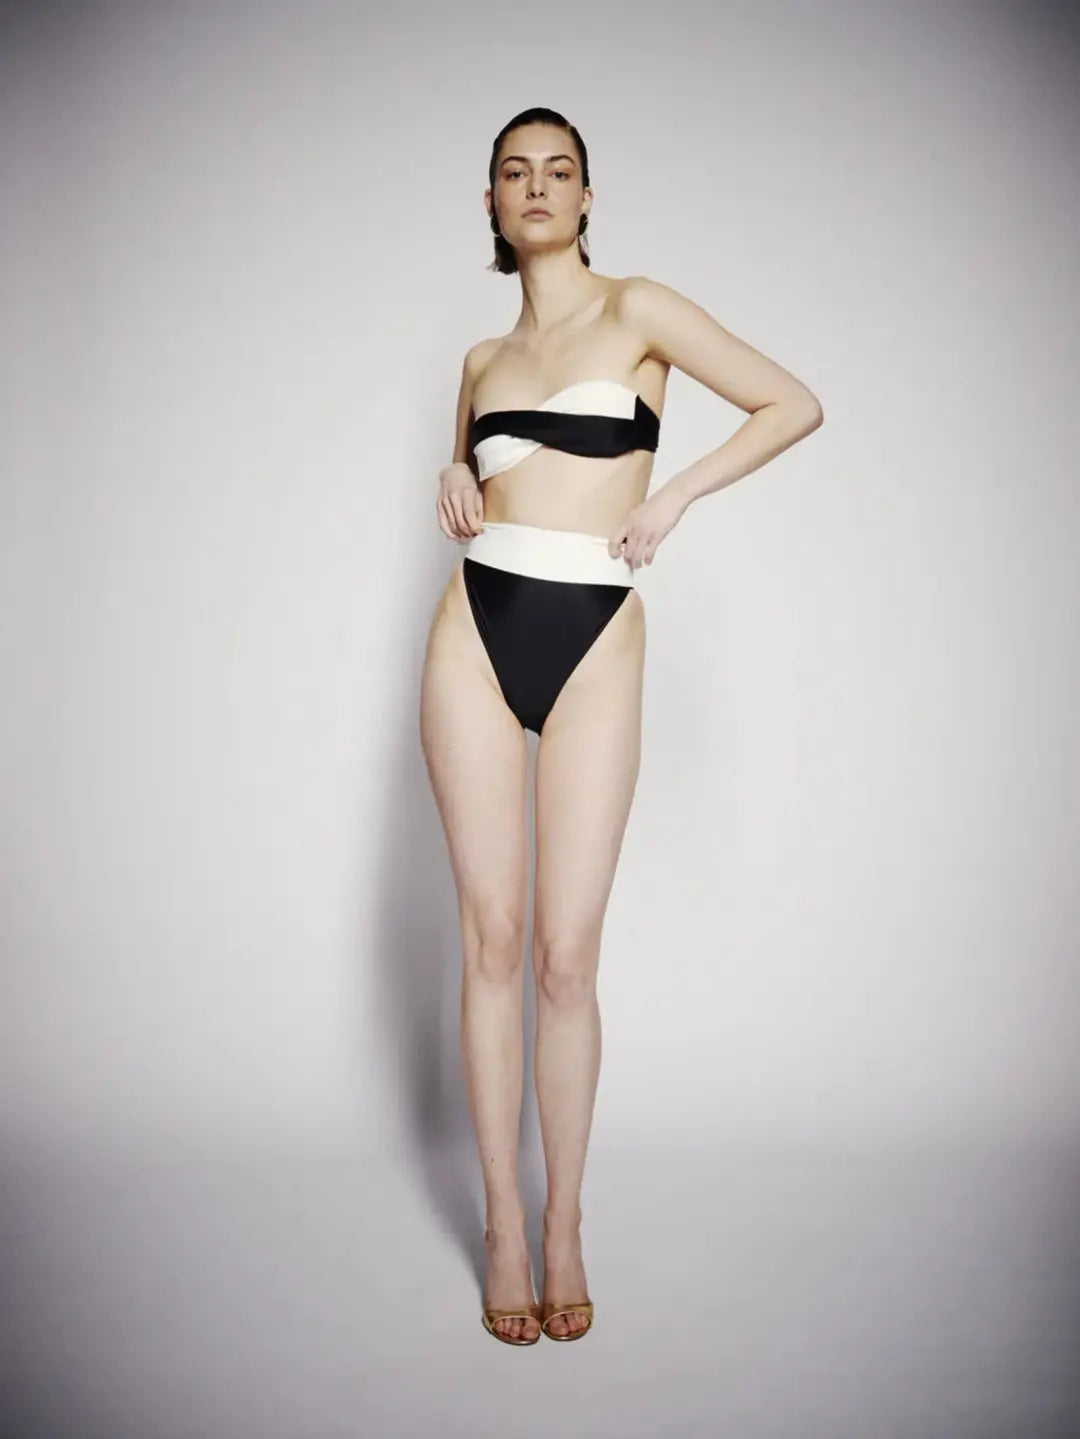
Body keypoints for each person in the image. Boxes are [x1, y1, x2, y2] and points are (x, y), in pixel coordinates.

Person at [419, 106, 823, 1346]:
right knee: (490, 940)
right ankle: (502, 1222)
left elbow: (791, 402)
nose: (537, 187)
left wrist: (678, 494)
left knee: (566, 954)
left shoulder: (639, 308)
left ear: (588, 198)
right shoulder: (481, 359)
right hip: (473, 627)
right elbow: (472, 479)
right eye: (515, 172)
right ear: (492, 205)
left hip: (598, 628)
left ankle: (565, 1222)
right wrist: (452, 476)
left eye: (560, 171)